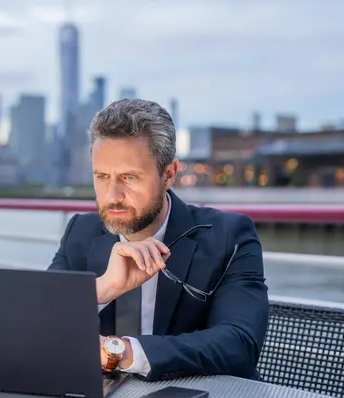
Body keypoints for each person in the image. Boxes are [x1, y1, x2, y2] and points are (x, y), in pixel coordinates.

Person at [48, 98, 269, 382]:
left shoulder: (230, 235)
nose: (112, 195)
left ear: (169, 174)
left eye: (129, 177)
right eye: (102, 176)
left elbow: (240, 344)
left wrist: (122, 353)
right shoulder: (80, 231)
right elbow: (36, 326)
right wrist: (101, 289)